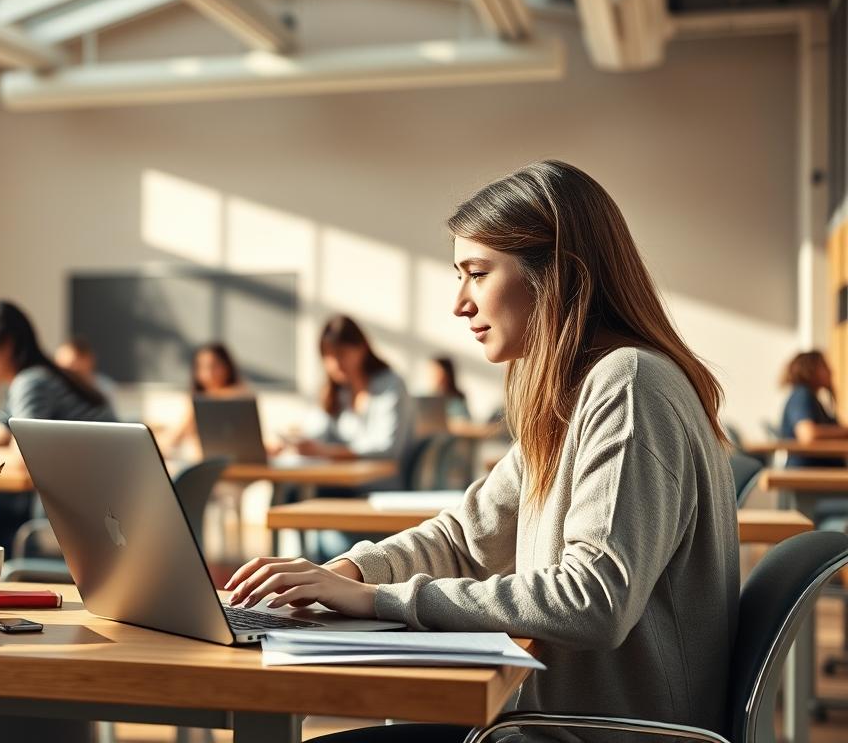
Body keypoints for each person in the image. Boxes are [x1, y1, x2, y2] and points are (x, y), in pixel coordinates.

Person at [226, 161, 737, 741]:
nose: (460, 304)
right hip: (547, 723)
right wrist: (343, 572)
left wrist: (378, 599)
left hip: (596, 733)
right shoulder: (572, 396)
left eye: (476, 272)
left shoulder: (630, 383)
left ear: (558, 275)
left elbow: (593, 601)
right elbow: (465, 538)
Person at [0, 300, 114, 547]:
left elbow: (21, 462)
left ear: (6, 345)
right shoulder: (29, 380)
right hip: (103, 508)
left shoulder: (32, 383)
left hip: (94, 518)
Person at [296, 316, 413, 471]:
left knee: (301, 491)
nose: (335, 364)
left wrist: (328, 452)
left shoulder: (390, 385)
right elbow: (318, 432)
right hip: (339, 478)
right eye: (328, 356)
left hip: (378, 480)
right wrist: (296, 443)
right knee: (292, 487)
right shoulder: (336, 391)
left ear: (362, 349)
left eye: (341, 354)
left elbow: (386, 448)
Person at [158, 342, 251, 454]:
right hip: (202, 461)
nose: (208, 373)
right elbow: (177, 434)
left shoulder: (241, 396)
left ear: (226, 366)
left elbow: (251, 436)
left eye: (214, 366)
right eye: (202, 367)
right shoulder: (197, 399)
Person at [778, 350, 848, 467]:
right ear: (810, 370)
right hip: (809, 476)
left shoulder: (813, 398)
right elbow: (808, 435)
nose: (831, 371)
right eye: (824, 366)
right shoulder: (802, 395)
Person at [54, 336, 118, 409]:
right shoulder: (54, 390)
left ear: (87, 360)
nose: (63, 371)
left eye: (71, 365)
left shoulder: (104, 386)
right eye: (59, 366)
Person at [427, 356, 471, 422]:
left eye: (436, 372)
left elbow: (464, 423)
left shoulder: (456, 401)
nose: (432, 376)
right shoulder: (427, 400)